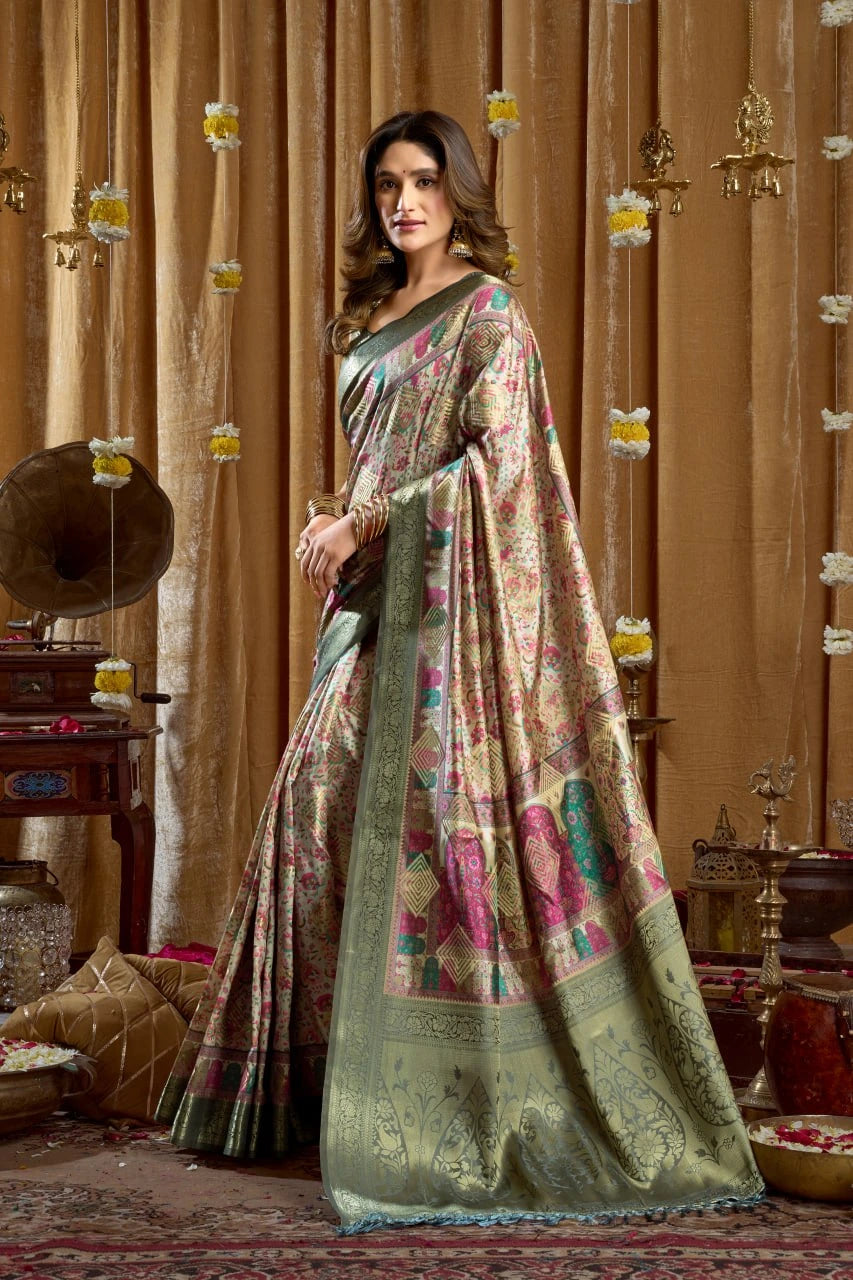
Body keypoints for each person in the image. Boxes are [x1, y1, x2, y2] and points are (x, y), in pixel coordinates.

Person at [158, 110, 763, 1232]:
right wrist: (334, 515)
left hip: (446, 629)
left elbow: (505, 464)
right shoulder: (366, 318)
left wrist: (370, 517)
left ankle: (441, 1096)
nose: (404, 202)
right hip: (370, 605)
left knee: (430, 834)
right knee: (313, 823)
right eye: (387, 183)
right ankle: (308, 1086)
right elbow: (378, 462)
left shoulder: (487, 312)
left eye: (424, 180)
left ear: (457, 188)